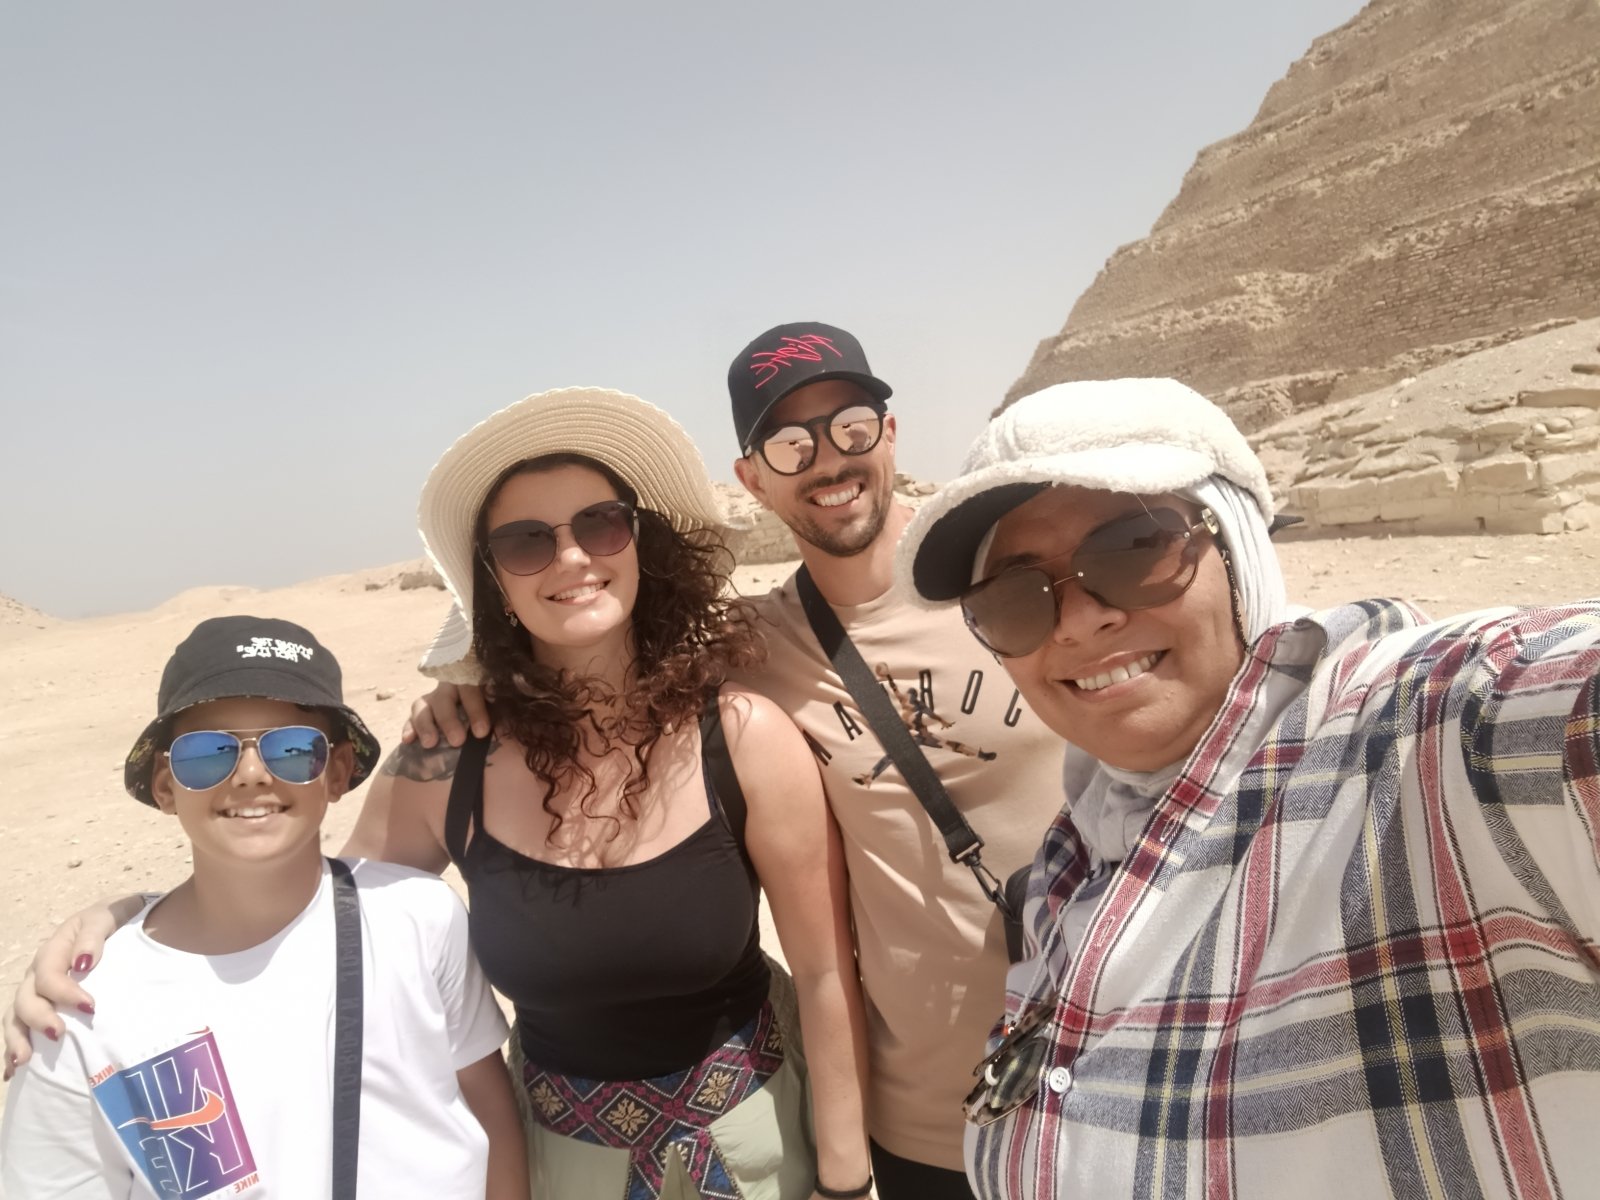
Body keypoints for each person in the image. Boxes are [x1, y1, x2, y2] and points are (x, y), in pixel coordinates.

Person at [4, 388, 873, 1200]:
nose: (572, 557)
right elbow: (307, 913)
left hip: (758, 1148)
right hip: (559, 1166)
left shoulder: (743, 738)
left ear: (639, 542)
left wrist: (843, 1179)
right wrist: (120, 922)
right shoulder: (446, 765)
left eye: (601, 524)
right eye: (527, 542)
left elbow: (827, 972)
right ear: (495, 580)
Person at [895, 377, 1600, 1198]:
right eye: (1015, 598)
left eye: (1133, 550)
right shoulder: (1079, 852)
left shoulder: (1427, 740)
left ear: (1237, 545)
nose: (1080, 620)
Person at [405, 326, 1067, 1198]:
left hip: (1102, 1060)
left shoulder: (1026, 583)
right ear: (752, 478)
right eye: (791, 444)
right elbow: (597, 643)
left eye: (850, 426)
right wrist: (465, 688)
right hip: (921, 1117)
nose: (828, 459)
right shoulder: (749, 648)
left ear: (889, 432)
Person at [0, 615, 526, 1199]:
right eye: (208, 753)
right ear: (165, 785)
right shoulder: (83, 1009)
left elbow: (490, 1121)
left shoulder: (419, 920)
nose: (251, 775)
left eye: (292, 749)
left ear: (337, 772)